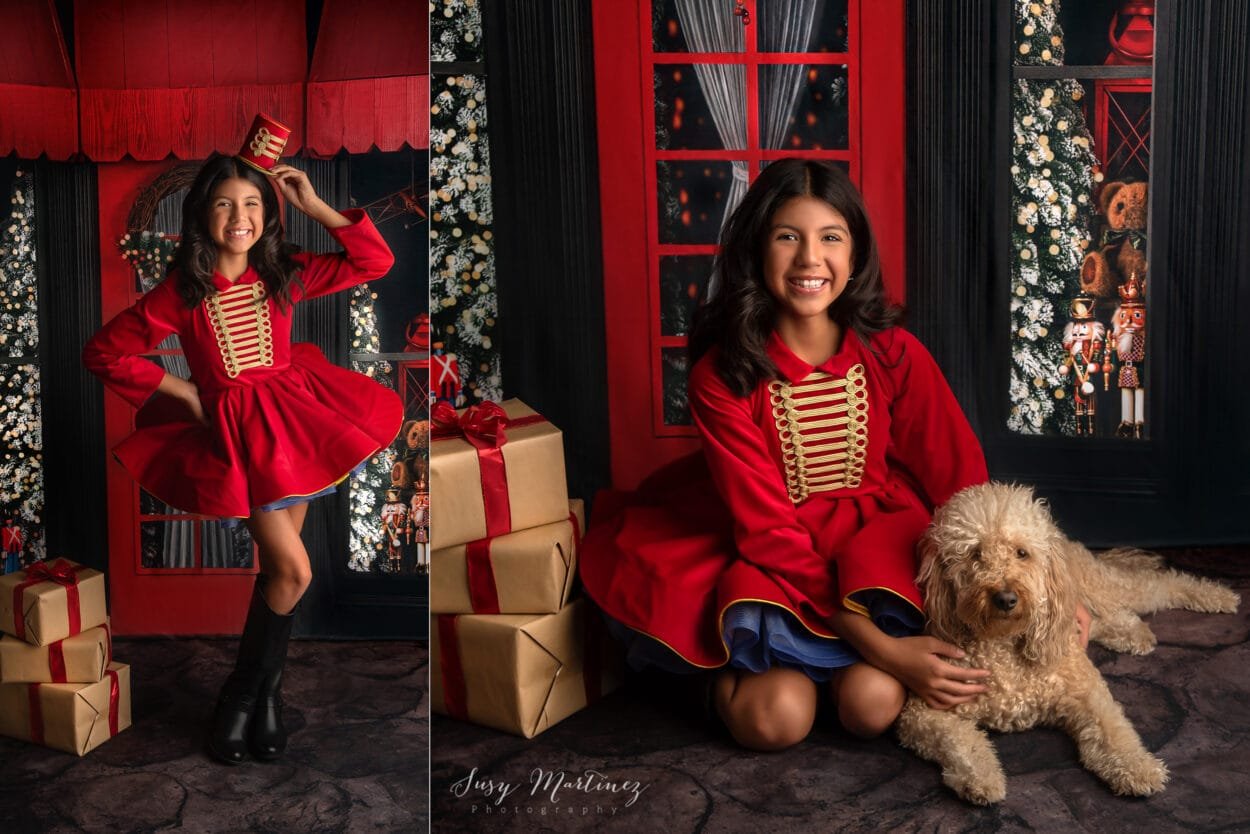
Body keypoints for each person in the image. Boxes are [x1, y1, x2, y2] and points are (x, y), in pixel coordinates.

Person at [580, 158, 999, 751]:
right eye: (787, 237)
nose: (809, 259)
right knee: (777, 720)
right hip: (770, 557)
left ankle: (830, 675)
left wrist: (1024, 581)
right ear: (757, 251)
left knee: (872, 706)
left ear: (855, 256)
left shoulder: (894, 352)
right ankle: (713, 678)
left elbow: (963, 480)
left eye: (831, 238)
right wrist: (883, 649)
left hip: (871, 552)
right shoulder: (721, 376)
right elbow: (766, 531)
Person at [82, 151, 402, 765]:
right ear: (202, 213)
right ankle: (238, 697)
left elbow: (375, 260)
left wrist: (314, 205)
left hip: (297, 427)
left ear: (268, 213)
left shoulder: (285, 272)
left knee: (279, 575)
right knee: (295, 572)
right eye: (226, 203)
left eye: (252, 203)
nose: (240, 216)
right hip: (238, 440)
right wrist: (182, 390)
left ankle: (265, 701)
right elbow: (103, 353)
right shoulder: (181, 291)